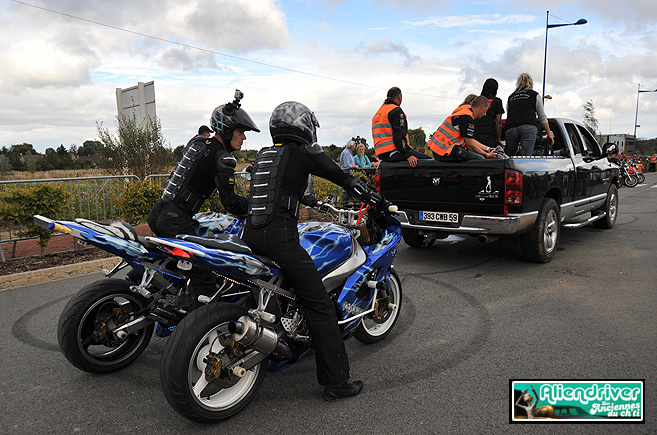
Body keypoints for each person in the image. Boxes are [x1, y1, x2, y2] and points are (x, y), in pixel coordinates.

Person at [244, 101, 387, 401]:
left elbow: (281, 188)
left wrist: (308, 200)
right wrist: (373, 196)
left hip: (250, 235)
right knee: (319, 305)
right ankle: (336, 382)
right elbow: (342, 178)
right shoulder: (303, 152)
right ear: (304, 127)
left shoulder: (265, 154)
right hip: (279, 238)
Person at [147, 90, 259, 300]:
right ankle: (197, 328)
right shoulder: (223, 158)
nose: (244, 137)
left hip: (158, 214)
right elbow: (231, 203)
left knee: (175, 267)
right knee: (205, 281)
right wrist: (256, 208)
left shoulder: (198, 144)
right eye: (241, 131)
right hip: (177, 221)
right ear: (227, 130)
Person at [371, 87, 432, 167]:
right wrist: (408, 154)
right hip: (394, 151)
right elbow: (399, 136)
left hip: (382, 154)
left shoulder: (379, 112)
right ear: (399, 97)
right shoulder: (395, 111)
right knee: (429, 161)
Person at [426, 95, 499, 160]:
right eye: (485, 111)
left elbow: (470, 140)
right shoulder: (467, 118)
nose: (485, 114)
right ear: (482, 106)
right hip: (445, 151)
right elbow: (470, 145)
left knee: (474, 154)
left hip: (439, 150)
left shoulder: (464, 113)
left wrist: (487, 149)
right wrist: (487, 155)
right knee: (480, 158)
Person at [505, 73, 554, 156]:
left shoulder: (511, 97)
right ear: (531, 82)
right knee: (526, 155)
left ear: (518, 82)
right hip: (528, 125)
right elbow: (542, 117)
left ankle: (508, 168)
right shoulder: (535, 95)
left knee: (509, 155)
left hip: (511, 127)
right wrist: (549, 133)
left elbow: (509, 112)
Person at [474, 78, 505, 149]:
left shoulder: (477, 100)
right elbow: (498, 122)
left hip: (476, 133)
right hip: (489, 133)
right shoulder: (497, 101)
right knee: (490, 156)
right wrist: (499, 139)